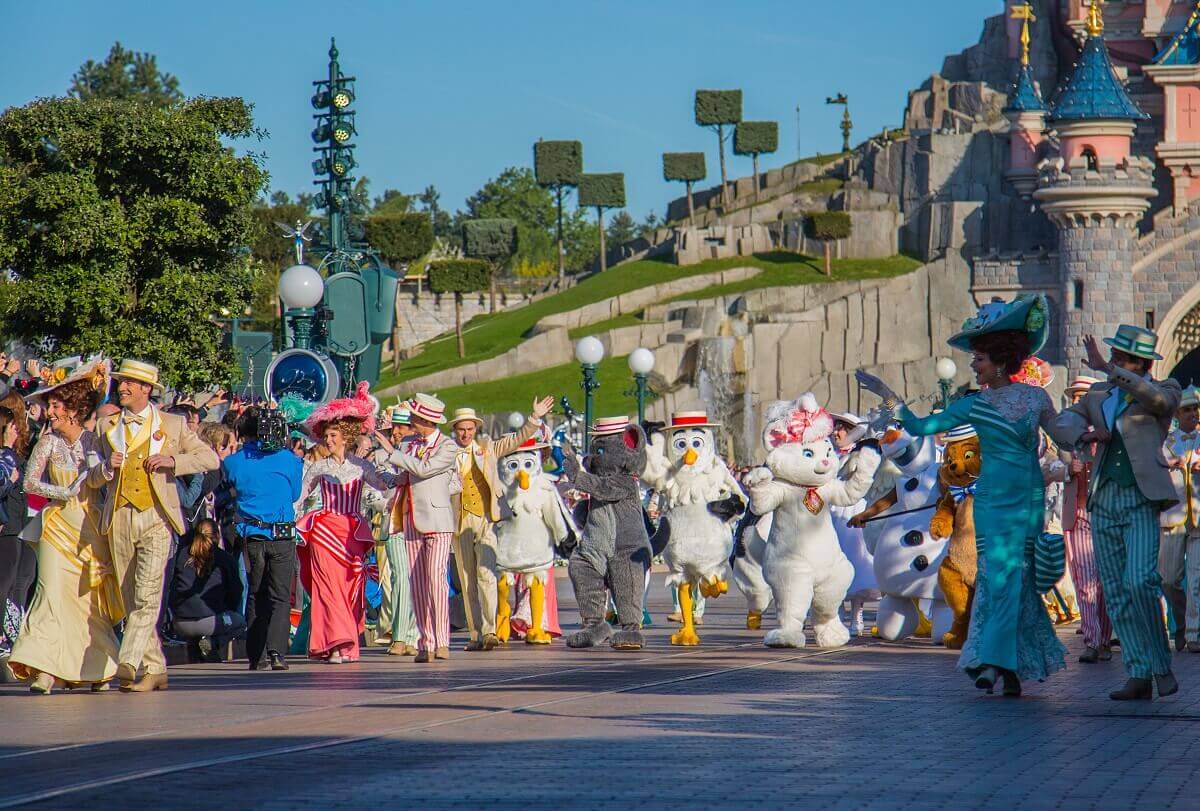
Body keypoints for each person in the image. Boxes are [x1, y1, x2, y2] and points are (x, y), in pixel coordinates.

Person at [857, 294, 1071, 697]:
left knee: (1016, 579)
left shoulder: (1036, 399)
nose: (974, 365)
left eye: (980, 359)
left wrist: (1091, 424)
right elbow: (921, 426)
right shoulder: (973, 405)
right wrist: (890, 400)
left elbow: (1062, 435)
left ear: (1002, 361)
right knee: (996, 578)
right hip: (991, 502)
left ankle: (999, 662)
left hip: (1025, 503)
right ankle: (997, 662)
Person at [1056, 326, 1183, 700]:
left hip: (1142, 497)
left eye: (1119, 358)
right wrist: (1083, 435)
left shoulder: (1165, 389)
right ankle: (1139, 672)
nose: (1112, 362)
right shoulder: (1098, 394)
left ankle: (1160, 664)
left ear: (1139, 363)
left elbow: (1159, 403)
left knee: (1140, 581)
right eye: (1112, 357)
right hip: (1105, 497)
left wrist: (1111, 372)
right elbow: (1065, 421)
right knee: (1114, 589)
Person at [87, 359, 220, 693]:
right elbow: (88, 476)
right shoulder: (107, 427)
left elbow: (210, 459)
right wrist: (105, 468)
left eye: (130, 382)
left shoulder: (172, 425)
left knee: (147, 594)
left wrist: (173, 461)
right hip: (118, 515)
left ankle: (128, 660)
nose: (122, 387)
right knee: (129, 594)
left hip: (157, 516)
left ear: (146, 388)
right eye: (121, 382)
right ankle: (156, 667)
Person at [8, 358, 125, 694]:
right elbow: (29, 482)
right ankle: (44, 669)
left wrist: (101, 471)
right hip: (57, 526)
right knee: (50, 594)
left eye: (56, 404)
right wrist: (64, 491)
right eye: (50, 405)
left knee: (87, 604)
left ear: (74, 407)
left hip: (90, 531)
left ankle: (95, 667)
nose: (50, 411)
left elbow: (103, 478)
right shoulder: (48, 442)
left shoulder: (94, 441)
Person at [294, 383, 398, 664]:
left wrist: (399, 475)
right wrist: (291, 518)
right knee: (326, 589)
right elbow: (300, 498)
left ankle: (343, 643)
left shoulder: (360, 466)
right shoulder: (318, 467)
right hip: (323, 532)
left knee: (349, 588)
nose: (327, 440)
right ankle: (333, 644)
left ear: (345, 437)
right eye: (326, 435)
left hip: (351, 532)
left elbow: (383, 485)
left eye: (332, 435)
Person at [446, 400, 552, 651]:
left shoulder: (487, 449)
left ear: (475, 429)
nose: (466, 434)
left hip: (484, 517)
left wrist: (534, 418)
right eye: (461, 429)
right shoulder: (447, 454)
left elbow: (516, 440)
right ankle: (475, 635)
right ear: (455, 430)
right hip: (458, 519)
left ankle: (490, 629)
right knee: (467, 578)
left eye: (470, 429)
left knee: (486, 574)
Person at [223, 407, 303, 671]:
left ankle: (255, 655)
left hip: (252, 535)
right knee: (280, 595)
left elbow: (231, 485)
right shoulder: (290, 460)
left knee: (256, 594)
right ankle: (277, 652)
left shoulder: (234, 461)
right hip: (281, 533)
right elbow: (293, 494)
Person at [385, 393, 461, 663]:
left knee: (435, 579)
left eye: (415, 419)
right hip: (411, 518)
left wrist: (393, 454)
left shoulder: (448, 446)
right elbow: (404, 474)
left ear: (426, 420)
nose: (411, 423)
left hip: (438, 522)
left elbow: (425, 469)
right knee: (417, 583)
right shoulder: (409, 445)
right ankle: (425, 642)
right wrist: (383, 472)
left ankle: (442, 641)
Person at [1058, 376, 1113, 663]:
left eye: (1084, 397)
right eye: (1076, 397)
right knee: (1085, 581)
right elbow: (1052, 466)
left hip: (1104, 513)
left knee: (1105, 581)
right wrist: (1068, 470)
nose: (1079, 402)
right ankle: (1093, 640)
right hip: (1077, 514)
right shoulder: (1066, 434)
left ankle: (1104, 637)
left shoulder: (1110, 431)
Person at [370, 404, 420, 656]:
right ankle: (399, 635)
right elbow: (370, 492)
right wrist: (385, 501)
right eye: (395, 427)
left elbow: (451, 484)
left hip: (419, 522)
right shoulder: (380, 457)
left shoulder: (422, 455)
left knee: (416, 579)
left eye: (402, 427)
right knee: (400, 577)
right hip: (393, 521)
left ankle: (413, 635)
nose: (397, 432)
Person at [168, 518, 245, 661]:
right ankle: (213, 644)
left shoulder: (181, 555)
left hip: (180, 623)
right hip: (212, 622)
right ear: (217, 535)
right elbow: (236, 592)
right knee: (240, 622)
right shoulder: (225, 558)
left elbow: (172, 587)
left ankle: (198, 648)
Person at [1160, 386, 1200, 654]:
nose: (1193, 414)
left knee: (1196, 578)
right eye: (1187, 410)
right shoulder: (1164, 442)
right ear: (1177, 413)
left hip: (1198, 518)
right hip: (1173, 518)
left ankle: (1195, 633)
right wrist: (1169, 464)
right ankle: (1181, 625)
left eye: (1196, 409)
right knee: (1169, 579)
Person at [0, 403, 33, 657]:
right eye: (11, 426)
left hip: (17, 523)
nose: (16, 429)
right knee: (5, 584)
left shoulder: (11, 454)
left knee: (16, 582)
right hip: (7, 525)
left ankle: (10, 637)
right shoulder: (5, 455)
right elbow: (4, 483)